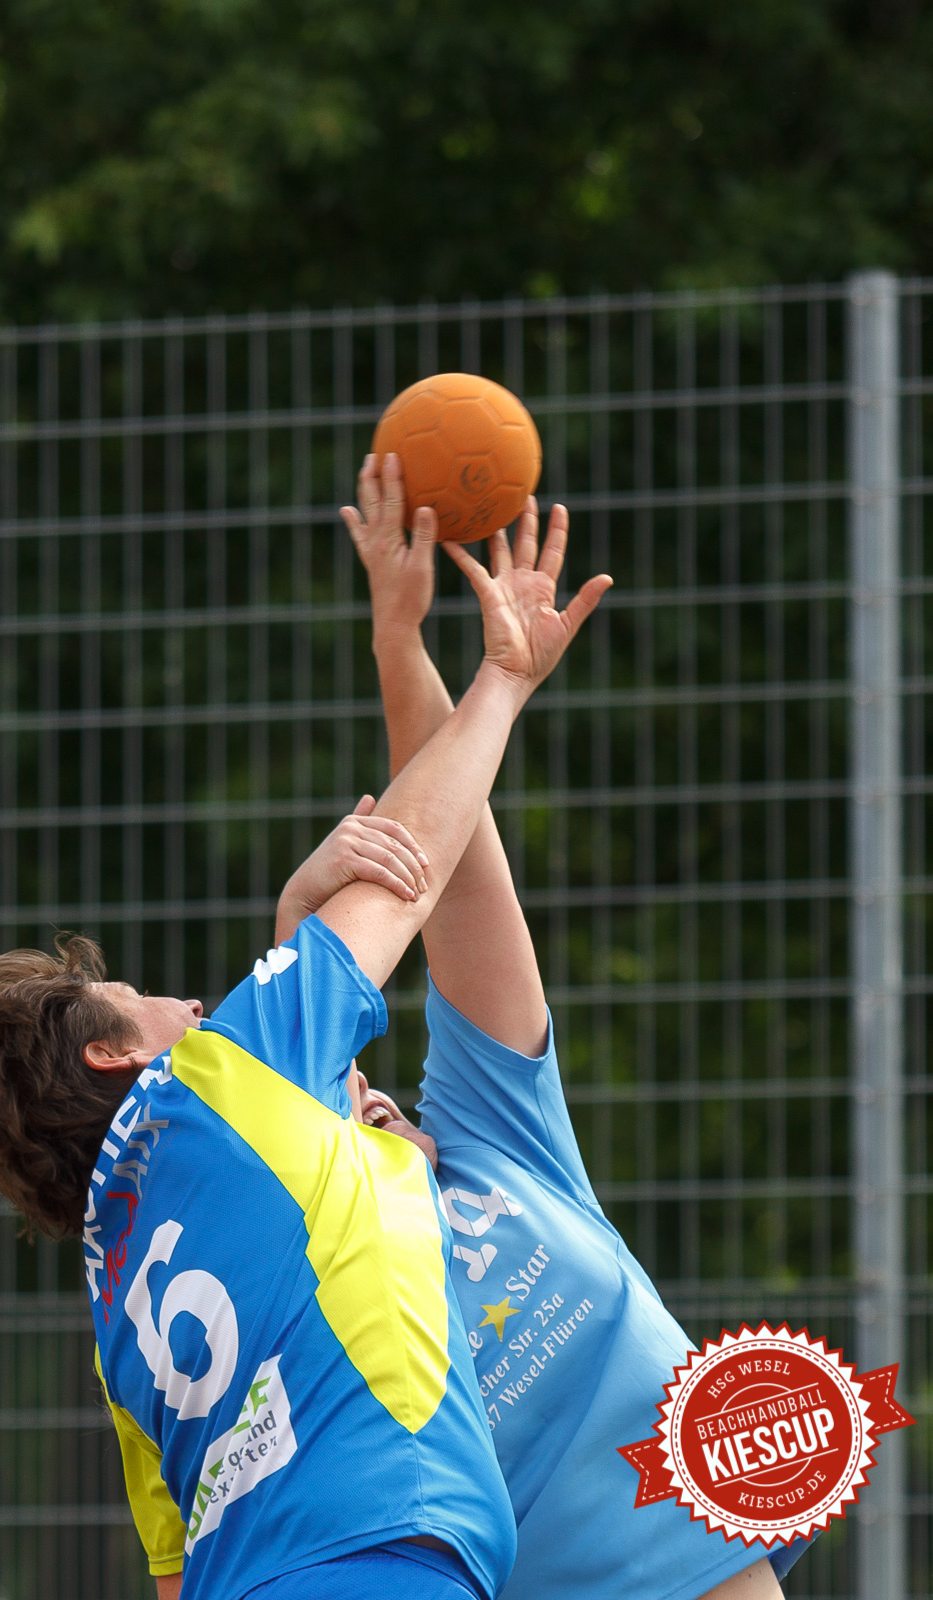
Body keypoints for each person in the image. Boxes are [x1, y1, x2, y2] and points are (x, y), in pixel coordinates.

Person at [0, 488, 612, 1600]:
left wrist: (295, 904)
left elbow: (174, 1575)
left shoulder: (117, 1297)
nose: (188, 1006)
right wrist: (500, 678)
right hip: (380, 1564)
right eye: (147, 996)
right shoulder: (213, 1082)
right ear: (117, 1060)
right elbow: (405, 876)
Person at [328, 454, 813, 1600]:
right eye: (330, 1093)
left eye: (361, 1075)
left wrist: (402, 648)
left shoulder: (492, 1145)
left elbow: (454, 874)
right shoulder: (321, 1288)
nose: (366, 1088)